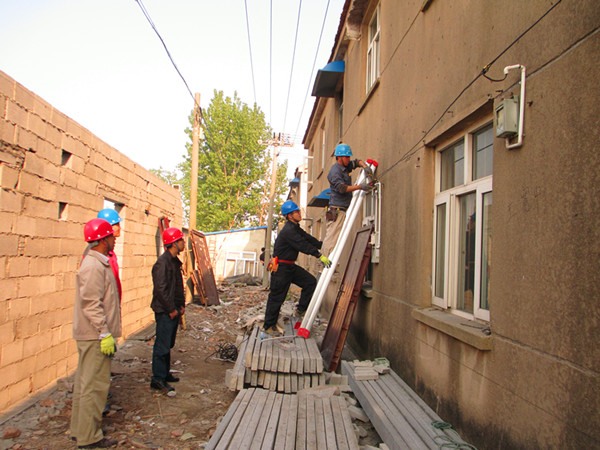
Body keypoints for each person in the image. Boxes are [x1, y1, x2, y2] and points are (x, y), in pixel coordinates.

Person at [70, 218, 120, 449]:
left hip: (92, 335)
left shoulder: (98, 263)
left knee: (85, 385)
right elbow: (91, 303)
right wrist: (104, 332)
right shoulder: (93, 266)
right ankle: (89, 437)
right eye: (110, 236)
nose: (114, 239)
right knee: (94, 387)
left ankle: (80, 431)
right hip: (94, 336)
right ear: (101, 240)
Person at [263, 201, 332, 336]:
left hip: (290, 266)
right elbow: (302, 245)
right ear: (289, 216)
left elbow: (307, 238)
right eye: (297, 212)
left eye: (299, 211)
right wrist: (319, 255)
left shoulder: (295, 228)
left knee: (310, 282)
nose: (300, 214)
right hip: (281, 268)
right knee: (277, 297)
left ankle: (300, 310)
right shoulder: (288, 230)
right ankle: (269, 326)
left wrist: (322, 245)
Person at [321, 143, 373, 257]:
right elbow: (342, 188)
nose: (348, 159)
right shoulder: (335, 171)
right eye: (346, 157)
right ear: (339, 157)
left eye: (349, 156)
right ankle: (324, 263)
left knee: (336, 240)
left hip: (342, 209)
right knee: (332, 240)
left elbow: (357, 162)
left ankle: (329, 262)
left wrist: (365, 166)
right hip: (337, 210)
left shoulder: (345, 166)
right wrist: (360, 187)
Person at [150, 227, 186, 392]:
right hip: (165, 311)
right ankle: (157, 378)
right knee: (162, 345)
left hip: (173, 309)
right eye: (181, 240)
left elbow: (177, 286)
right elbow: (161, 290)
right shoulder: (162, 263)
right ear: (173, 243)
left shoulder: (173, 261)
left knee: (168, 343)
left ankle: (164, 373)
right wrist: (171, 309)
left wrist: (181, 305)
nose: (183, 242)